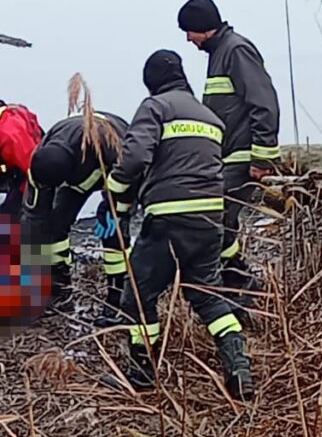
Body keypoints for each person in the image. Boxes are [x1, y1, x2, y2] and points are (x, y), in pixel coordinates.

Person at [103, 50, 254, 400]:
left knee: (138, 296)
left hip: (169, 217)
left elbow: (136, 158)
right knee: (207, 295)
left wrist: (112, 194)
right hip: (210, 218)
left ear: (151, 82)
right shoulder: (211, 117)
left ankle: (142, 374)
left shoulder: (155, 107)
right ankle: (239, 369)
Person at [178, 0, 281, 321]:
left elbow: (265, 103)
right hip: (227, 156)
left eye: (189, 32)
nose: (188, 40)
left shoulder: (235, 50)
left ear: (203, 28)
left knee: (217, 217)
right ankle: (234, 275)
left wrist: (262, 158)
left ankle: (232, 285)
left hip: (242, 157)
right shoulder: (219, 53)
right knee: (222, 219)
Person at [21, 111, 133, 322]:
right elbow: (34, 217)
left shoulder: (109, 146)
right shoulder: (41, 163)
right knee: (54, 226)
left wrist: (113, 208)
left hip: (114, 168)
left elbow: (131, 174)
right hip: (77, 174)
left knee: (113, 233)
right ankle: (58, 289)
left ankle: (119, 298)